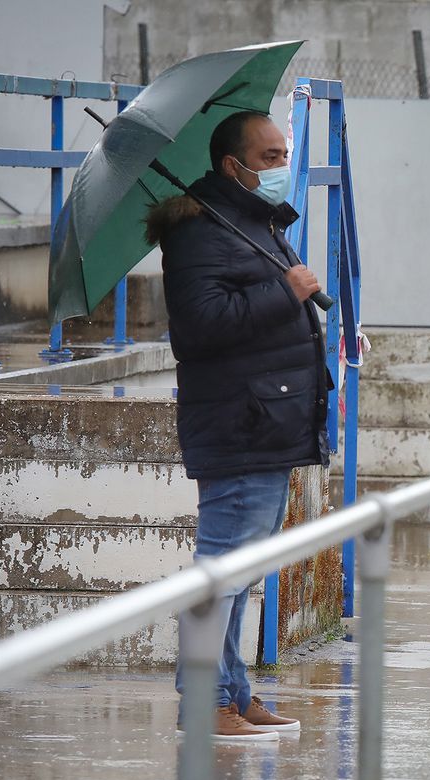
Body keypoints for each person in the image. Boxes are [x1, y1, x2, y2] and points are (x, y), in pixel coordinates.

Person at [145, 110, 331, 742]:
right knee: (220, 572)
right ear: (234, 165)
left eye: (284, 154)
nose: (282, 166)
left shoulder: (252, 222)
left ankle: (232, 694)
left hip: (270, 421)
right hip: (240, 423)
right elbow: (198, 328)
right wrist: (287, 292)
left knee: (239, 573)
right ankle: (203, 703)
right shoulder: (199, 232)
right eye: (269, 157)